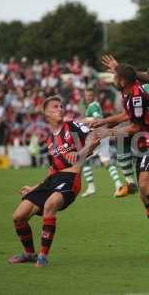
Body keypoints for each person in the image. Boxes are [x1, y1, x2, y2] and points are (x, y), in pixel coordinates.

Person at [92, 63, 149, 263]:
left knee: (147, 186)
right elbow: (126, 116)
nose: (113, 80)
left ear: (121, 80)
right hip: (146, 144)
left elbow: (134, 126)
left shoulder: (136, 96)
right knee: (143, 193)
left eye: (114, 77)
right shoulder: (129, 93)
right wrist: (103, 122)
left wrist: (108, 132)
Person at [8, 96, 100, 267]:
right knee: (18, 216)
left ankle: (43, 256)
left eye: (61, 106)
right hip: (53, 180)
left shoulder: (72, 126)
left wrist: (81, 153)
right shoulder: (49, 140)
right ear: (45, 113)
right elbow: (52, 170)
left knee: (50, 205)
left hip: (71, 179)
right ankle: (29, 254)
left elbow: (95, 138)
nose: (60, 109)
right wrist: (35, 187)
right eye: (55, 107)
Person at [80, 88, 126, 198]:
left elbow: (97, 119)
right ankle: (118, 184)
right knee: (106, 161)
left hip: (96, 136)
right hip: (101, 135)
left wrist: (82, 121)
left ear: (94, 96)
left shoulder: (93, 106)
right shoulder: (92, 105)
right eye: (86, 95)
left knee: (83, 160)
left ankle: (91, 187)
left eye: (90, 95)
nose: (88, 97)